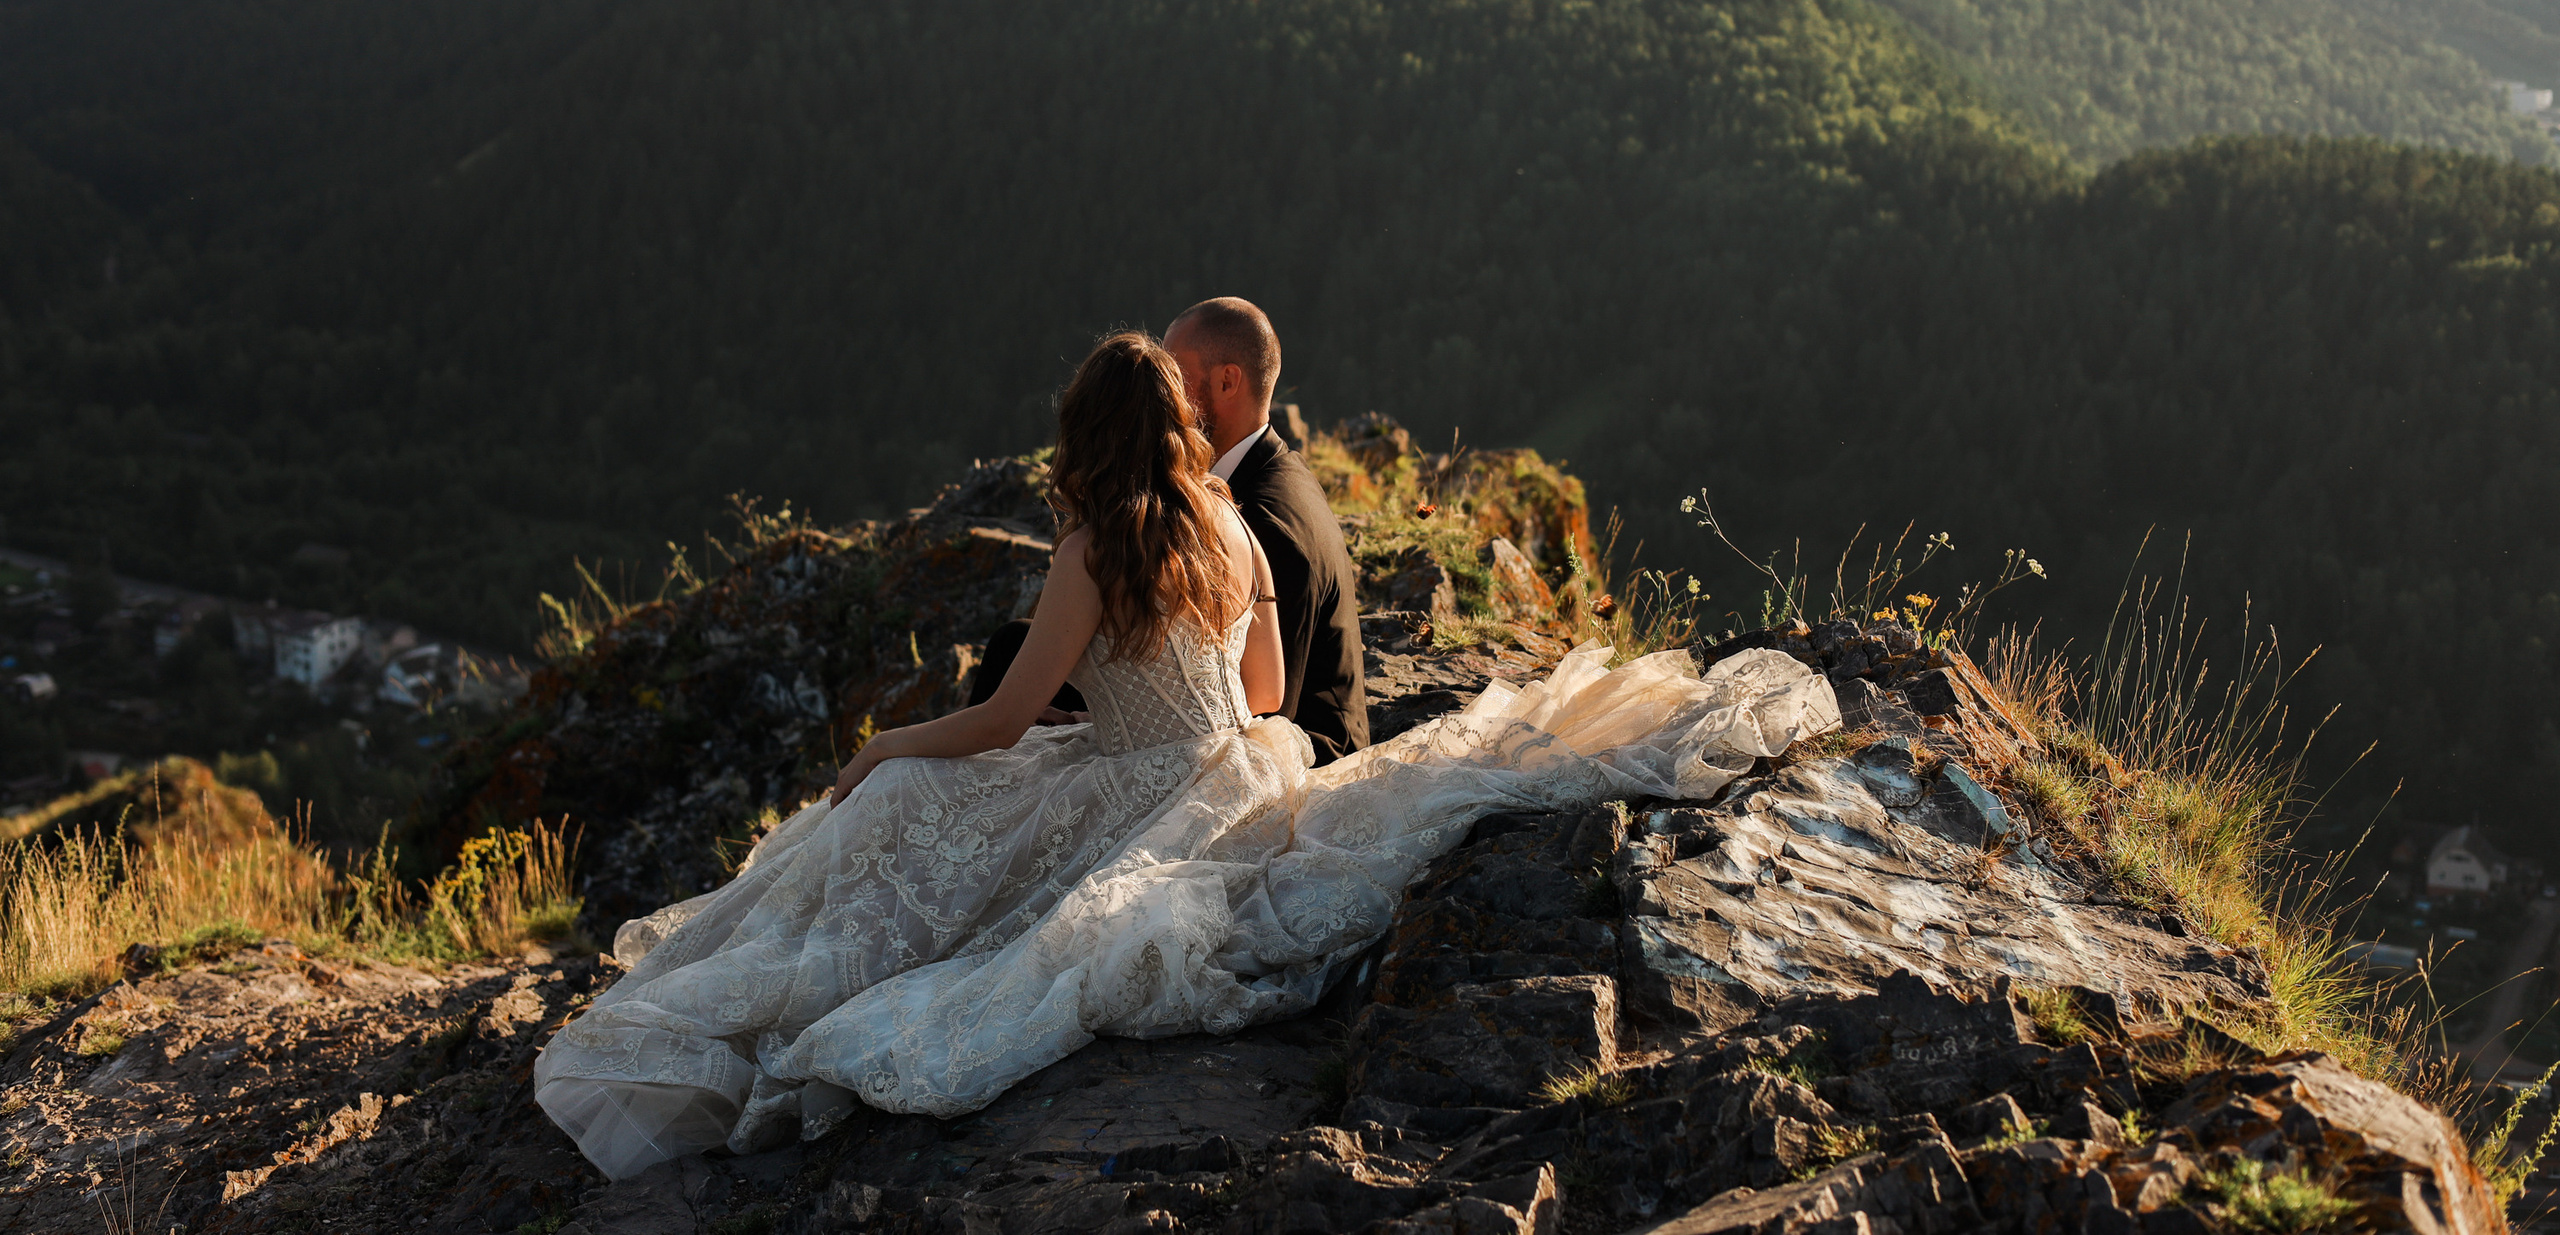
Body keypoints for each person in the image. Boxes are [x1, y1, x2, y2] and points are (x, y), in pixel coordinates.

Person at [533, 332, 1842, 1182]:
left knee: (912, 808)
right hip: (1246, 763)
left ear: (1082, 434)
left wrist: (887, 742)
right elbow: (1269, 689)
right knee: (965, 822)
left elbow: (1005, 719)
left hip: (1142, 782)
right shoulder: (1229, 523)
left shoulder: (1095, 548)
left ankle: (763, 978)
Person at [1163, 297, 1369, 763]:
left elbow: (1265, 708)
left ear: (1226, 381)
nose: (1160, 395)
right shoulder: (1264, 469)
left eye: (1173, 377)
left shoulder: (1265, 518)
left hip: (1311, 756)